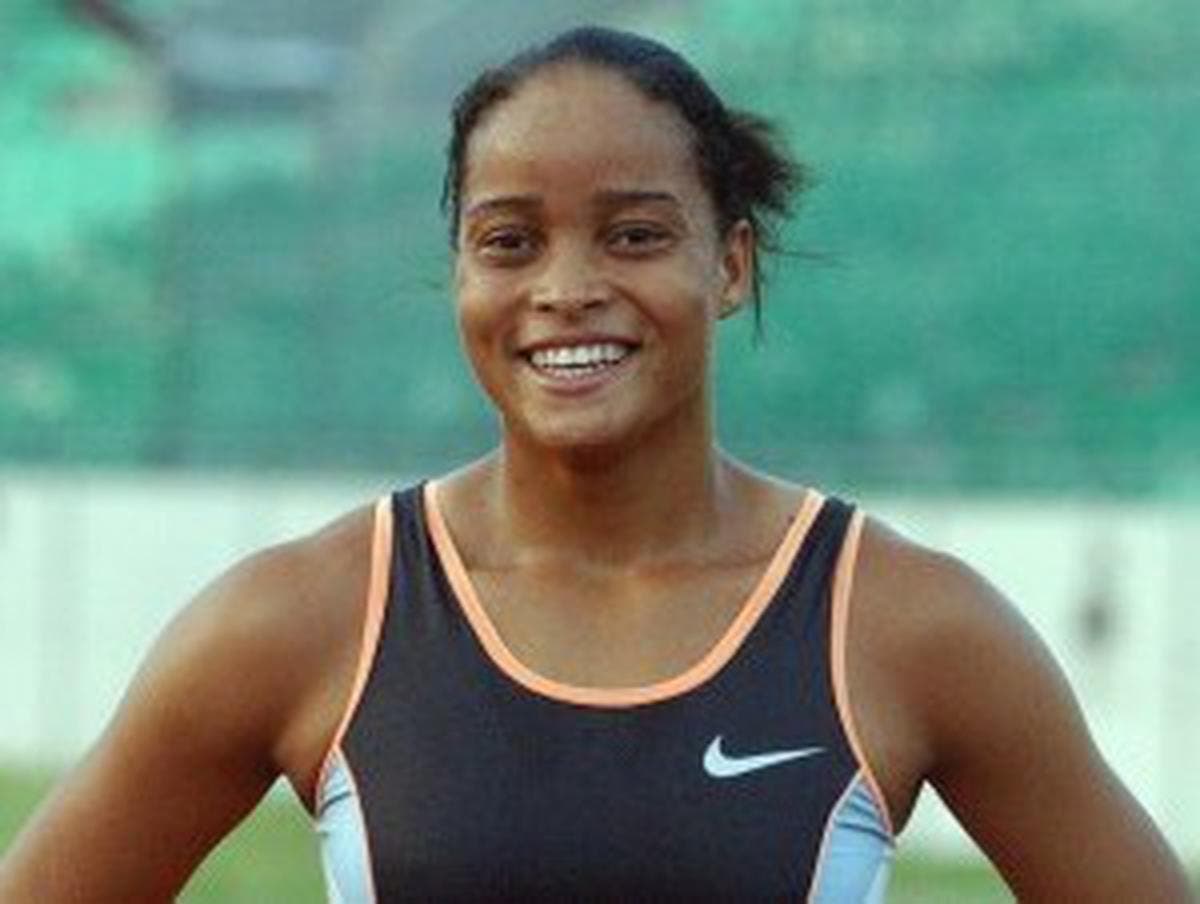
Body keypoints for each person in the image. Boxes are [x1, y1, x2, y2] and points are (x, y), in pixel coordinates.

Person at [0, 25, 1192, 903]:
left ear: (730, 265)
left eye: (633, 233)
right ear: (460, 276)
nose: (566, 288)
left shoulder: (906, 625)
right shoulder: (306, 619)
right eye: (509, 241)